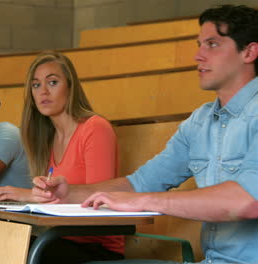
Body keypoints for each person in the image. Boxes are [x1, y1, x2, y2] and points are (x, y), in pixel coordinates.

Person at [33, 5, 258, 264]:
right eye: (199, 44)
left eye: (212, 44)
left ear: (249, 52)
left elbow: (248, 200)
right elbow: (140, 182)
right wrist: (69, 193)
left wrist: (143, 201)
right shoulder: (200, 121)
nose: (198, 55)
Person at [0, 51, 124, 263]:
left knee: (13, 251)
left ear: (70, 87)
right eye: (36, 85)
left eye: (52, 82)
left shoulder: (95, 128)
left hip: (96, 249)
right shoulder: (47, 138)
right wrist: (11, 193)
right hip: (58, 239)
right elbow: (53, 195)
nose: (43, 91)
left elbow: (99, 200)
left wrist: (23, 195)